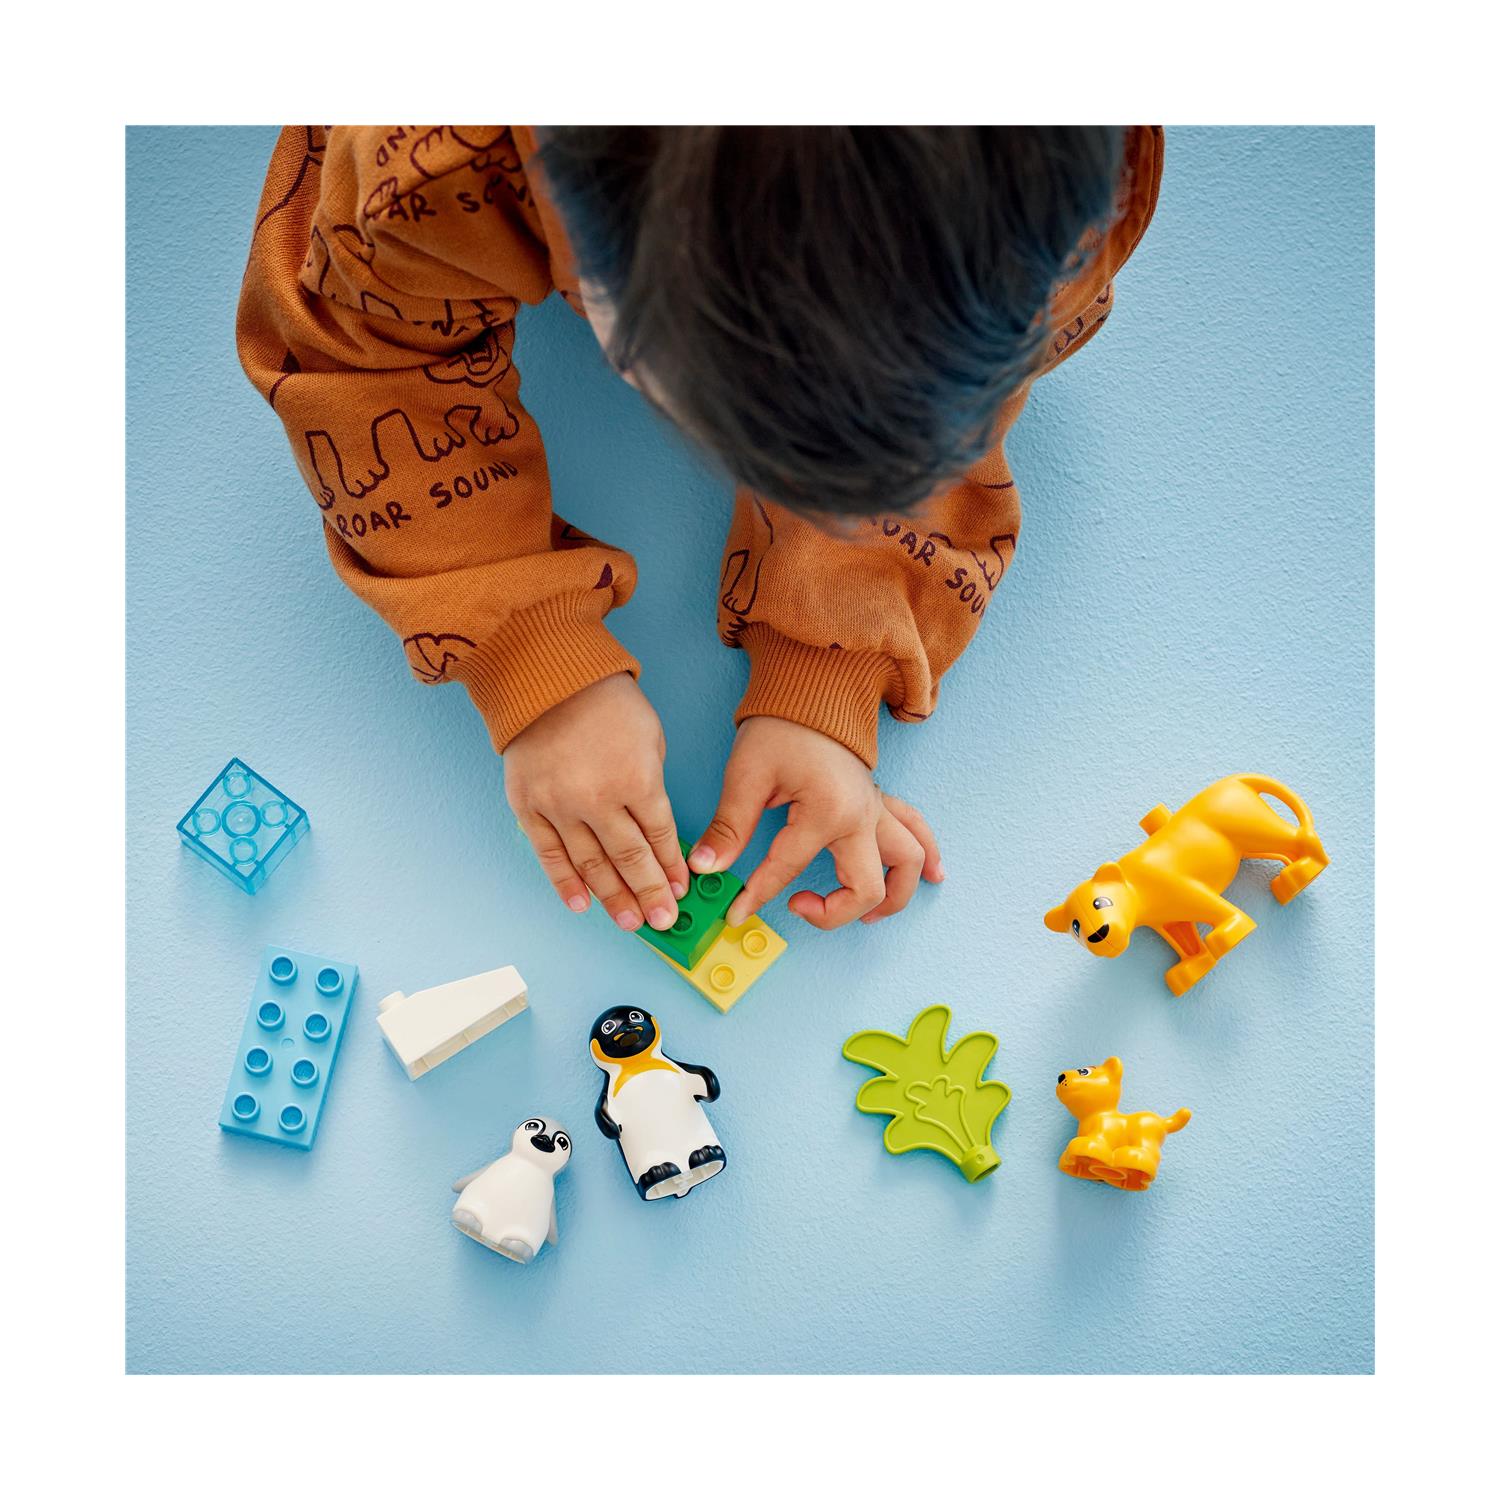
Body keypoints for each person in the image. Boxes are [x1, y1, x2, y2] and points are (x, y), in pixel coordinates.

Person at [236, 125, 1162, 936]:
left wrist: (827, 663)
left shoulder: (1075, 192)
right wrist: (530, 654)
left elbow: (941, 399)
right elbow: (355, 364)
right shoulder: (431, 162)